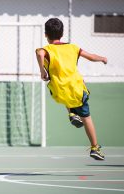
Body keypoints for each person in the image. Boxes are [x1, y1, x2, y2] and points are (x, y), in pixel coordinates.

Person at [35, 18, 107, 160]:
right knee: (86, 118)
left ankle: (72, 114)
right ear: (62, 33)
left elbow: (39, 53)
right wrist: (102, 58)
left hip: (58, 91)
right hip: (77, 90)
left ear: (46, 34)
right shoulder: (73, 48)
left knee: (64, 93)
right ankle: (95, 148)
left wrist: (42, 71)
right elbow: (91, 57)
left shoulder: (46, 50)